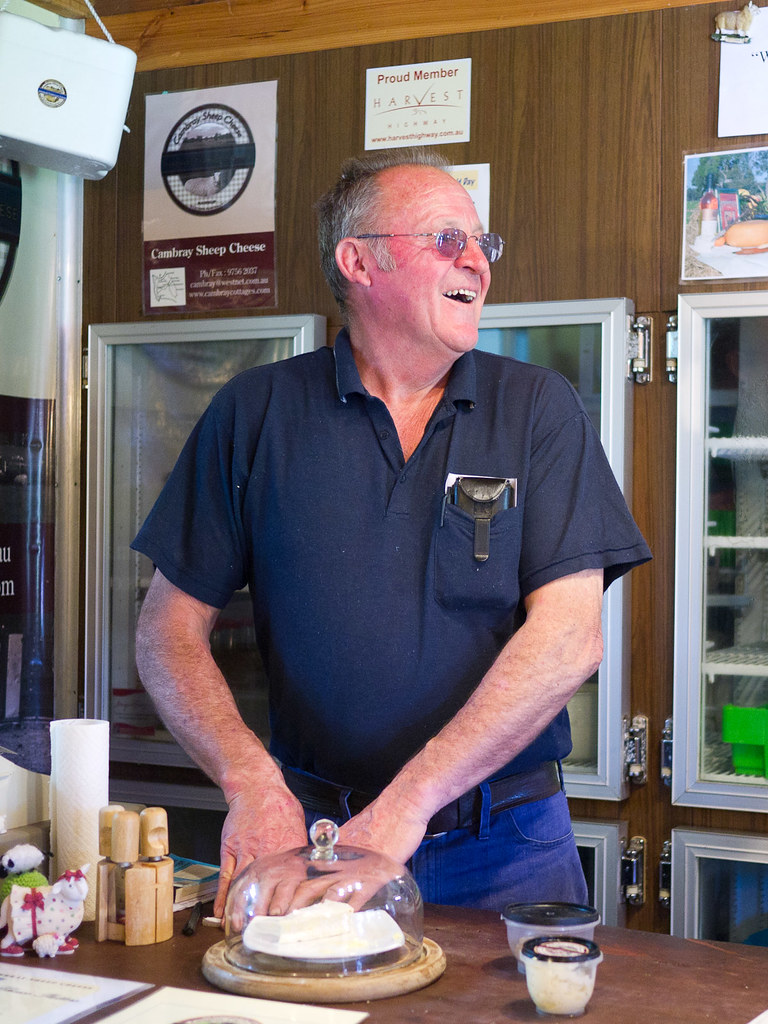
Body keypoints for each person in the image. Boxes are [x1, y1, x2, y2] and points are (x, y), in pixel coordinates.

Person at [132, 148, 651, 918]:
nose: (477, 260)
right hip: (315, 841)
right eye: (448, 239)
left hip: (505, 847)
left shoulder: (537, 408)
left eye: (482, 243)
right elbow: (166, 634)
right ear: (359, 261)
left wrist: (404, 808)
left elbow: (571, 639)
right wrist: (251, 781)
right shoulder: (256, 413)